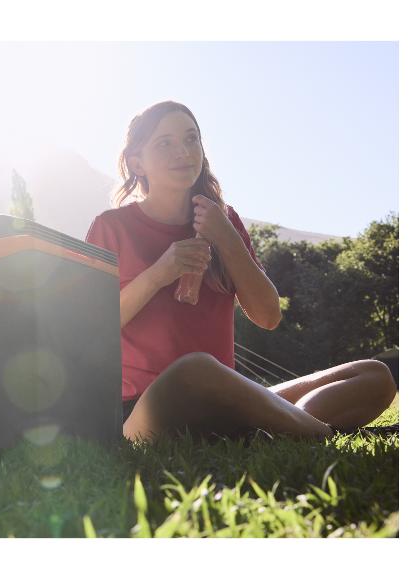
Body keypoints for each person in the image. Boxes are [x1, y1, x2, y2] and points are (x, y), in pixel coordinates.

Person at [85, 101, 396, 443]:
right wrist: (159, 273)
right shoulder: (111, 228)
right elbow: (89, 331)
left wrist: (226, 238)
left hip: (226, 402)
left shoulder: (224, 220)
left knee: (374, 375)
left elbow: (268, 315)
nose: (183, 152)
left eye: (192, 139)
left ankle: (273, 433)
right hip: (145, 409)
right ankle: (316, 433)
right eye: (165, 143)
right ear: (136, 162)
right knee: (194, 369)